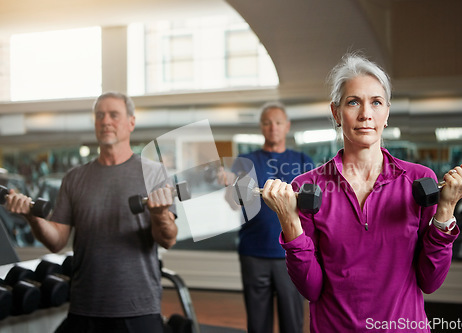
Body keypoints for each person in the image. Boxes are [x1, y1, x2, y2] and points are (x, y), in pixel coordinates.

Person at [260, 53, 462, 333]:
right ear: (336, 113)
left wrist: (446, 212)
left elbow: (430, 281)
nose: (365, 114)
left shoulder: (419, 180)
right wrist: (289, 222)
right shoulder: (308, 187)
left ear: (387, 113)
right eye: (353, 102)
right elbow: (311, 288)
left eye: (376, 102)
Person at [5, 92, 178, 332]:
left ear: (131, 122)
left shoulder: (153, 173)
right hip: (85, 306)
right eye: (100, 115)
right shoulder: (75, 178)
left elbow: (168, 239)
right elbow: (56, 241)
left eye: (114, 115)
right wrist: (32, 216)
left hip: (137, 307)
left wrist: (159, 214)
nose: (106, 121)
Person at [219, 102, 313, 333]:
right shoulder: (244, 161)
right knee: (258, 323)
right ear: (261, 127)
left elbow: (312, 211)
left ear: (287, 126)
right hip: (254, 252)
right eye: (267, 123)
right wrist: (230, 185)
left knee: (292, 321)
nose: (273, 128)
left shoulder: (302, 160)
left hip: (291, 254)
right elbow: (233, 204)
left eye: (278, 122)